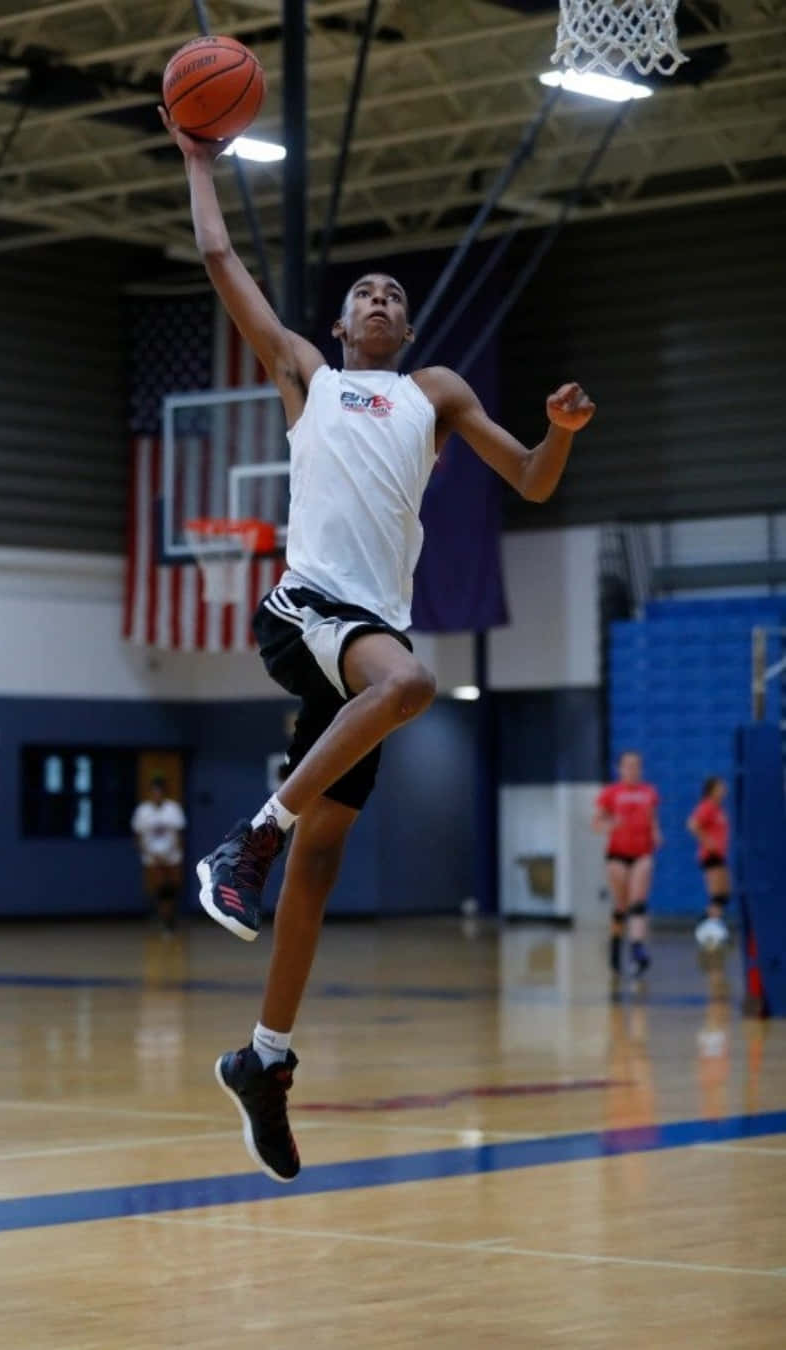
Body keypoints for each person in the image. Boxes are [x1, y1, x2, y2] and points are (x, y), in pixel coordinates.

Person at [160, 106, 596, 1182]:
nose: (382, 299)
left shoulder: (434, 395)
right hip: (307, 612)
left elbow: (531, 480)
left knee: (324, 859)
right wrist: (195, 160)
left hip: (364, 645)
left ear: (406, 329)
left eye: (396, 295)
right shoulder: (305, 371)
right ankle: (243, 838)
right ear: (342, 322)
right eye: (366, 292)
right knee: (412, 681)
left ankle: (263, 1059)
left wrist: (564, 435)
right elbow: (219, 258)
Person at [593, 751, 661, 980]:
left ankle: (638, 950)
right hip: (617, 855)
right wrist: (611, 824)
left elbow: (653, 820)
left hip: (642, 852)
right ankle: (615, 946)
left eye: (636, 765)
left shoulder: (648, 792)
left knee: (637, 902)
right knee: (621, 905)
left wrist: (656, 834)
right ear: (619, 768)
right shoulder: (611, 793)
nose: (632, 769)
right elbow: (596, 823)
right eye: (628, 765)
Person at [131, 777, 186, 933]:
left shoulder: (173, 809)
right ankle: (162, 918)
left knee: (172, 888)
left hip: (172, 856)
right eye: (154, 792)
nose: (157, 795)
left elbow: (179, 834)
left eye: (159, 792)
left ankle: (170, 917)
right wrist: (150, 854)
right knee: (158, 888)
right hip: (152, 857)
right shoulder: (142, 811)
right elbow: (137, 837)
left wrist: (170, 853)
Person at [688, 776, 731, 950]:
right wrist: (707, 841)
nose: (724, 789)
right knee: (716, 896)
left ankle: (709, 928)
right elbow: (692, 824)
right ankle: (709, 933)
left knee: (723, 895)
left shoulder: (718, 808)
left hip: (719, 854)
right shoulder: (707, 806)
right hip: (710, 855)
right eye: (720, 786)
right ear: (712, 789)